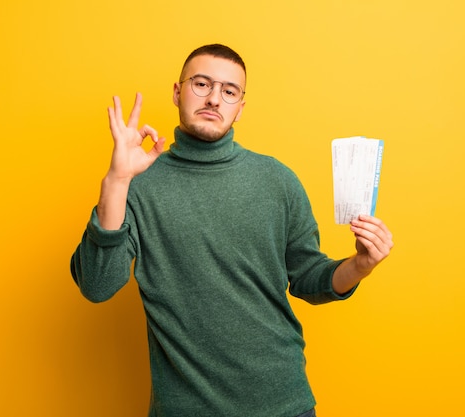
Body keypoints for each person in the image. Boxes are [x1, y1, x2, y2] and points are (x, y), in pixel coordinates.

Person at [70, 44, 394, 417]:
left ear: (240, 106)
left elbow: (307, 277)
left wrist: (361, 265)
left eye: (229, 91)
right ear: (177, 92)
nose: (213, 99)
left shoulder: (277, 180)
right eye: (201, 84)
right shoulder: (137, 184)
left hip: (284, 405)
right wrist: (116, 180)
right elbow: (97, 285)